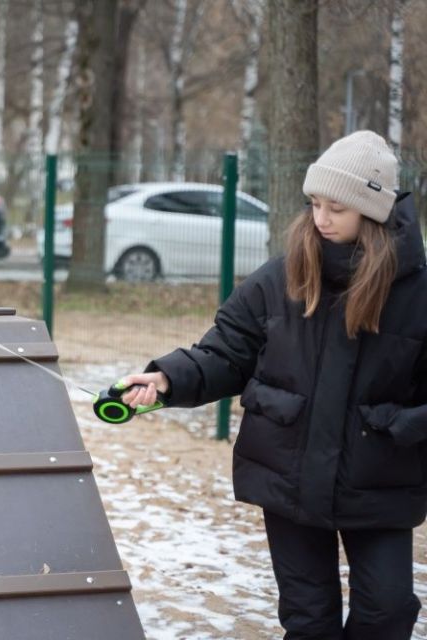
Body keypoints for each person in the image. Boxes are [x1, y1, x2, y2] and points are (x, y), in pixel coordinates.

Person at [120, 130, 425, 639]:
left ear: (373, 212)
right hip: (289, 472)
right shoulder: (280, 277)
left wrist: (400, 425)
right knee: (309, 619)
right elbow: (225, 352)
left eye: (336, 209)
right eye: (314, 204)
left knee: (389, 610)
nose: (321, 219)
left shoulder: (415, 292)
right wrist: (169, 378)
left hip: (380, 476)